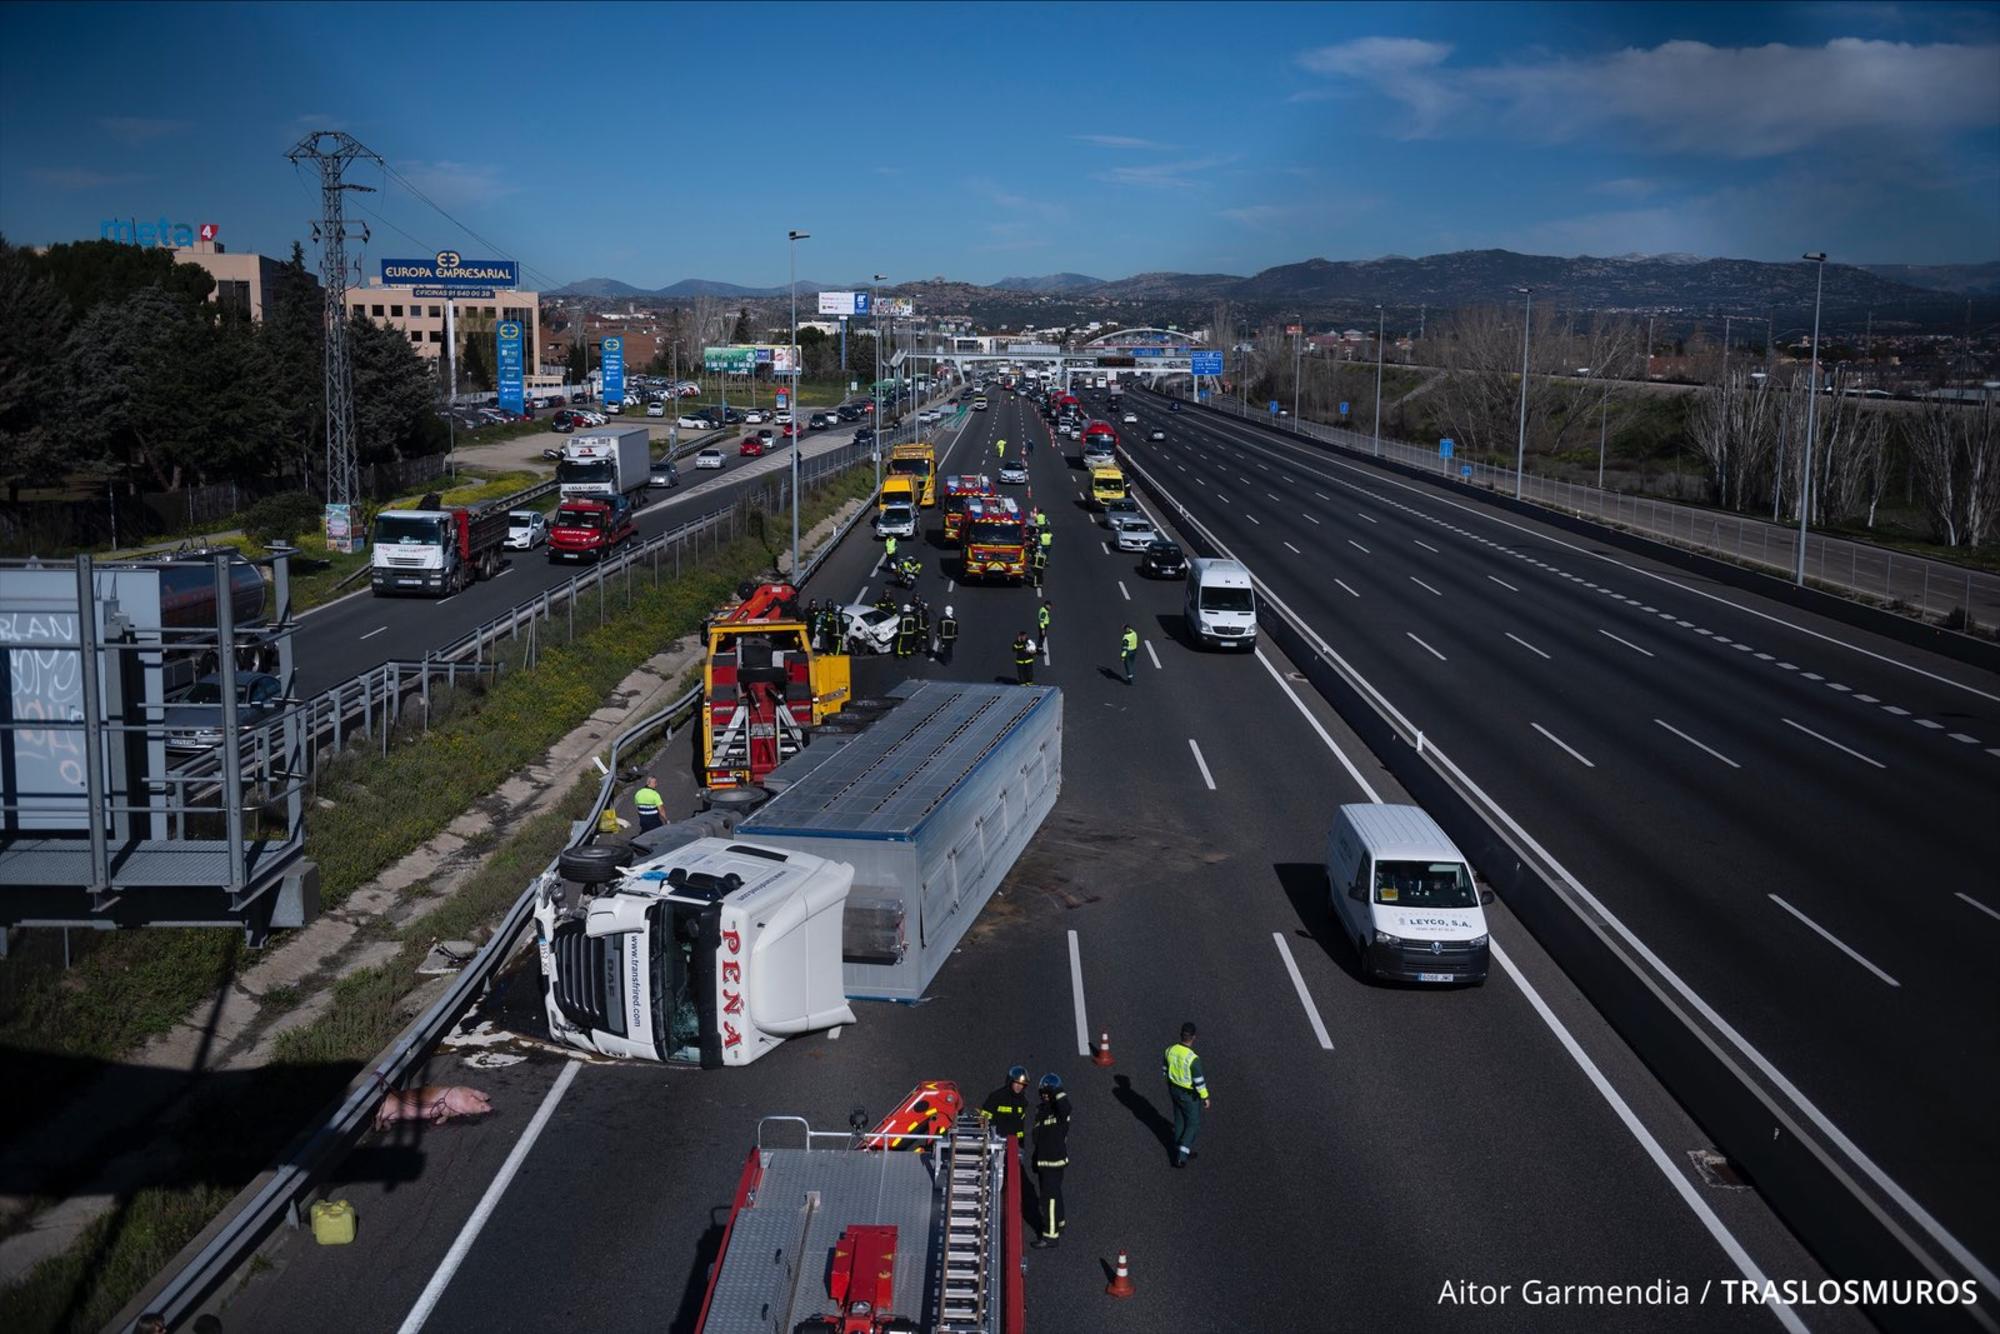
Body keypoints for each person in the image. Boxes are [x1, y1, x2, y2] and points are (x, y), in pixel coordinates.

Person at [1030, 1073, 1071, 1248]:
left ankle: (1050, 1236)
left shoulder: (1059, 1110)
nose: (1045, 1095)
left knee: (1049, 1199)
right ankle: (1059, 1224)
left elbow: (1065, 1106)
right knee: (1055, 1194)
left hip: (1053, 1162)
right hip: (1044, 1162)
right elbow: (1039, 1139)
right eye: (1043, 1092)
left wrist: (1057, 1090)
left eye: (1048, 1093)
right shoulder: (1042, 1111)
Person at [1163, 1022, 1210, 1168]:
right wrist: (1205, 1097)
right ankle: (1181, 1156)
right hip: (1189, 1095)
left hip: (1173, 1090)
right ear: (1193, 1037)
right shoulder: (1193, 1059)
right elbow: (1199, 1082)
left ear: (1181, 1035)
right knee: (1193, 1124)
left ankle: (1179, 1148)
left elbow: (1165, 1071)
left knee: (1179, 1121)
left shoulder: (1169, 1050)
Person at [979, 1065, 1030, 1145]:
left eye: (1022, 1084)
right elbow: (984, 1119)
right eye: (1016, 1082)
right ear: (1010, 1081)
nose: (1019, 1086)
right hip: (995, 1142)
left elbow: (1020, 1127)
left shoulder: (1023, 1102)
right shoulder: (997, 1096)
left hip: (1013, 1143)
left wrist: (1020, 1144)